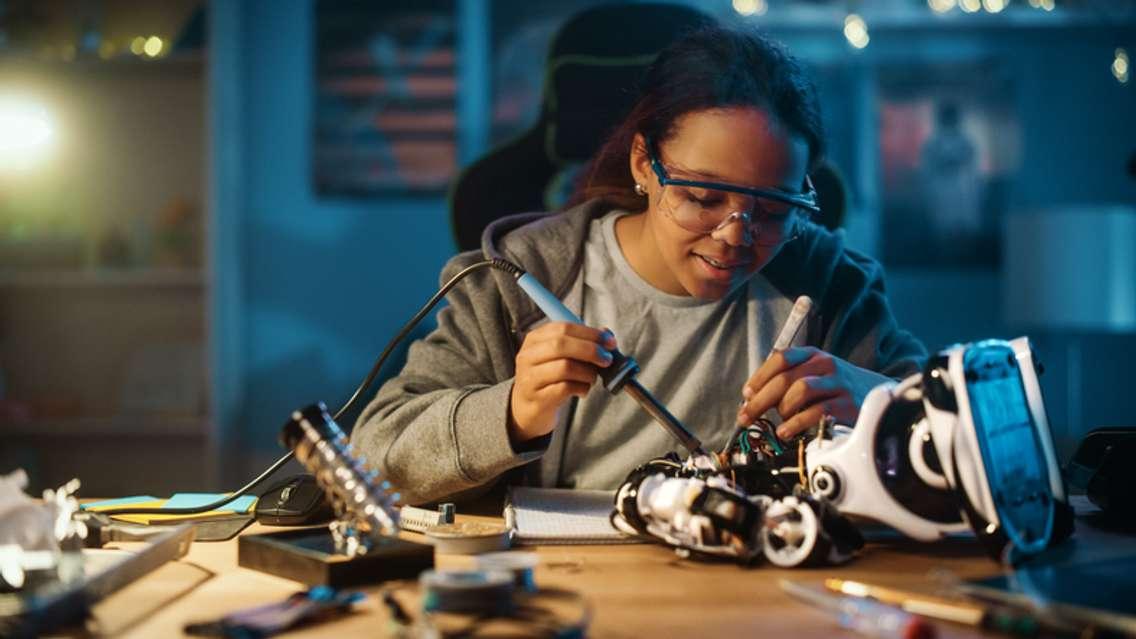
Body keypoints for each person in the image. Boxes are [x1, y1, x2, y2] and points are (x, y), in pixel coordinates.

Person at [352, 25, 926, 506]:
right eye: (702, 199)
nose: (735, 238)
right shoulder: (522, 282)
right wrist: (513, 411)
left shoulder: (830, 284)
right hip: (570, 584)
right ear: (644, 164)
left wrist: (882, 403)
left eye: (774, 211)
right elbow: (376, 454)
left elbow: (974, 448)